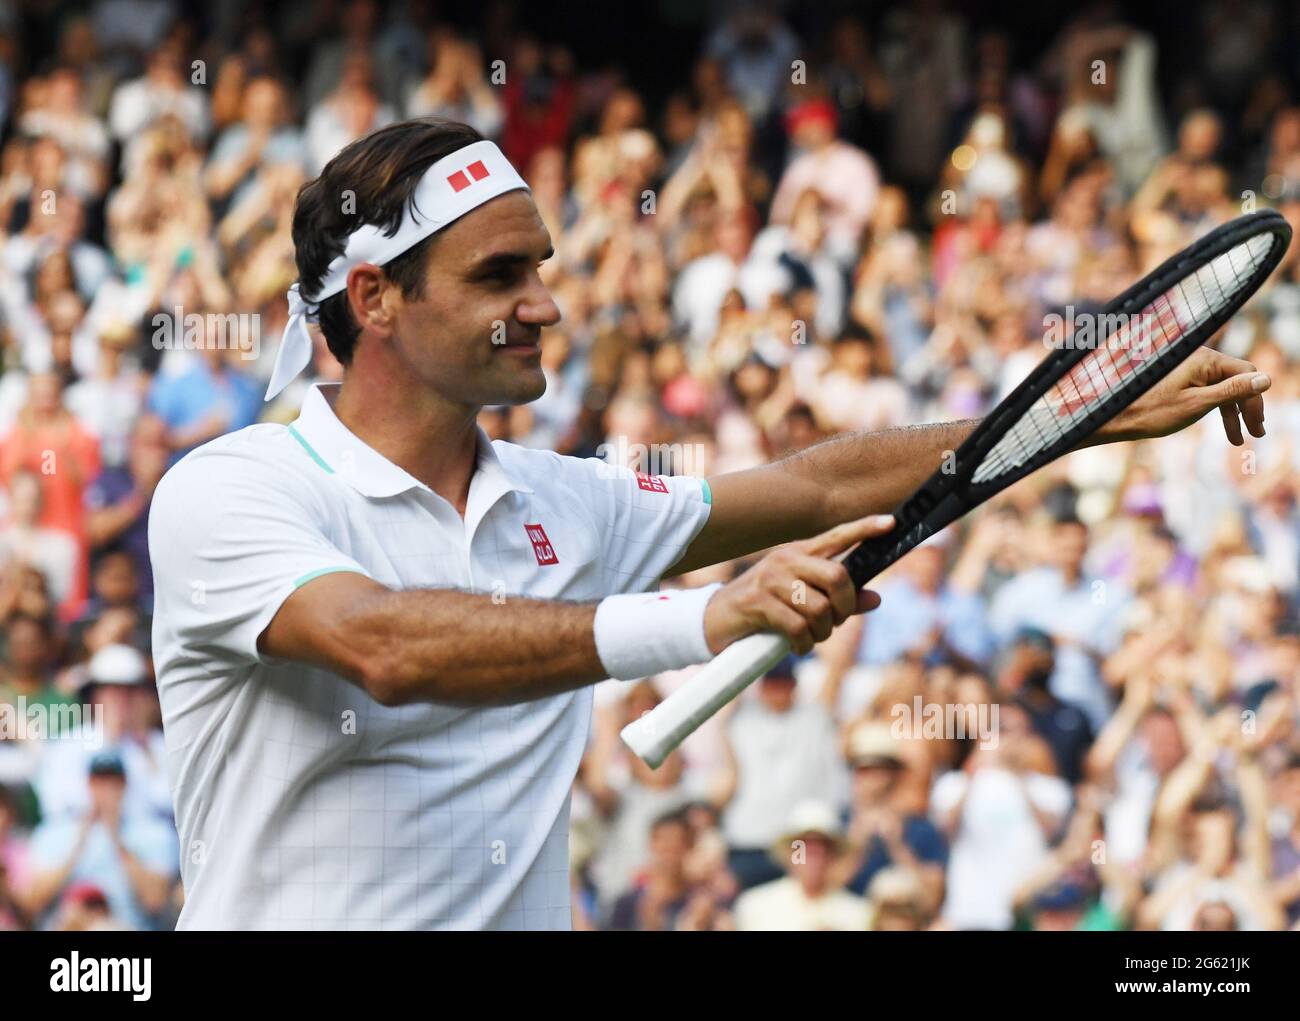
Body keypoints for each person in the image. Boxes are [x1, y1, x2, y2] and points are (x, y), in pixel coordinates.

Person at [146, 116, 1278, 932]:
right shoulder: (231, 491)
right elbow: (385, 647)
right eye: (499, 275)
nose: (543, 303)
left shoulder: (564, 499)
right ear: (375, 299)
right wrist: (697, 622)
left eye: (540, 267)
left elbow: (822, 486)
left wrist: (1069, 412)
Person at [734, 800, 868, 931]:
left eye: (822, 848)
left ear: (832, 856)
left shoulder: (858, 914)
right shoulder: (754, 907)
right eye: (802, 848)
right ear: (790, 854)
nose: (813, 857)